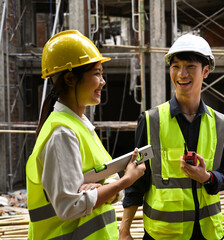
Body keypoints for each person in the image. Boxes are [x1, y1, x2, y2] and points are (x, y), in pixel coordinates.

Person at [119, 33, 224, 240]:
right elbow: (136, 180)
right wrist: (124, 230)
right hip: (164, 234)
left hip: (208, 233)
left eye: (189, 67)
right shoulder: (151, 121)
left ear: (205, 71)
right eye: (175, 66)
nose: (181, 74)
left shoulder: (220, 123)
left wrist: (208, 177)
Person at [26, 30, 146, 240]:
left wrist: (104, 188)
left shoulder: (79, 126)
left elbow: (105, 182)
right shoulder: (62, 133)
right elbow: (69, 207)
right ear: (71, 78)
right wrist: (125, 181)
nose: (103, 82)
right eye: (97, 73)